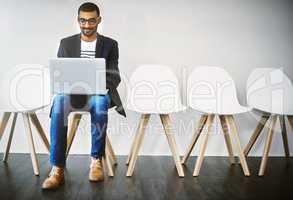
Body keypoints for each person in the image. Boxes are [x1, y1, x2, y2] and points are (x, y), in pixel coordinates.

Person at [42, 2, 126, 189]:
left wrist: (100, 86)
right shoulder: (66, 43)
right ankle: (57, 168)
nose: (87, 25)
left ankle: (96, 161)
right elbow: (59, 73)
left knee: (99, 101)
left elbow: (115, 75)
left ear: (99, 20)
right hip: (71, 95)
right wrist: (64, 84)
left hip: (96, 94)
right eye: (83, 21)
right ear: (78, 20)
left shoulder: (110, 44)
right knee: (59, 102)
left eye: (91, 21)